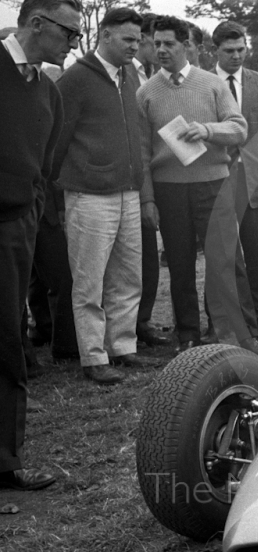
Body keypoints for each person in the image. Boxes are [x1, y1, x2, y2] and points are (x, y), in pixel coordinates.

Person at [1, 0, 82, 491]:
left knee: (8, 338)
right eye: (69, 33)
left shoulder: (46, 89)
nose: (75, 43)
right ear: (36, 24)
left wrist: (27, 211)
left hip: (14, 228)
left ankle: (6, 461)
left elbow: (45, 164)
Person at [54, 7, 159, 385]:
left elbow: (139, 141)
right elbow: (57, 140)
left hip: (128, 193)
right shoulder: (75, 79)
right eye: (128, 39)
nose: (136, 45)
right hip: (88, 195)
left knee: (128, 276)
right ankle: (93, 356)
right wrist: (59, 194)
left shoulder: (130, 75)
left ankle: (123, 347)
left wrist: (143, 193)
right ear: (105, 35)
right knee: (89, 279)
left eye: (138, 39)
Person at [137, 16, 252, 353]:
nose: (161, 50)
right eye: (157, 43)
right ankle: (188, 334)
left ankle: (226, 329)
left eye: (169, 43)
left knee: (223, 261)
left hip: (213, 185)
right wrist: (148, 199)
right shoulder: (145, 93)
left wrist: (207, 130)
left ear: (186, 45)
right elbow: (143, 153)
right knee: (180, 264)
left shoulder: (212, 85)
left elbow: (239, 128)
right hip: (169, 190)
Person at [211, 21, 258, 343]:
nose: (237, 56)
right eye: (229, 51)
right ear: (213, 50)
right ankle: (220, 322)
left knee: (257, 252)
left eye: (241, 49)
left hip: (256, 177)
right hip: (216, 177)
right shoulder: (203, 83)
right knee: (222, 254)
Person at [131, 12, 169, 348]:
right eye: (153, 42)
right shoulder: (128, 75)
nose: (158, 49)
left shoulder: (158, 77)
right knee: (135, 258)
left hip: (160, 176)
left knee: (149, 256)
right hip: (134, 178)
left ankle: (143, 320)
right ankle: (132, 324)